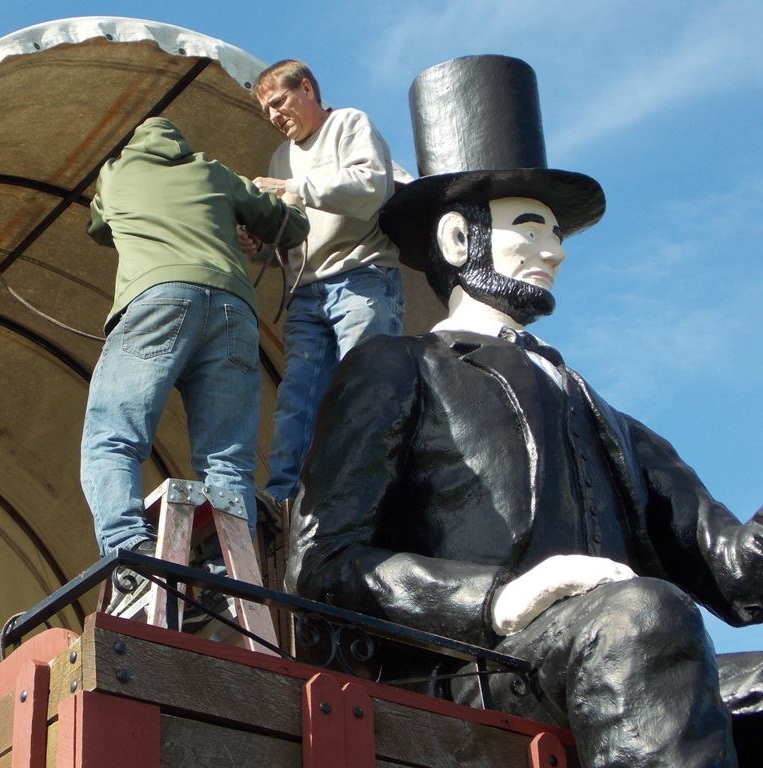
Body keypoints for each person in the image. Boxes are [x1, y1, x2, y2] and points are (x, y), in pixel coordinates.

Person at [287, 56, 761, 767]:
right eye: (532, 228)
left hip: (620, 652)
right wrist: (499, 598)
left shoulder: (602, 414)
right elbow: (322, 564)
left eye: (556, 235)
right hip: (470, 673)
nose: (555, 253)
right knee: (644, 612)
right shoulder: (398, 366)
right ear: (457, 239)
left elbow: (736, 573)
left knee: (651, 623)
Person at [81, 117, 309, 611]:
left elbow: (98, 227)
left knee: (112, 437)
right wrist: (254, 218)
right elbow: (292, 226)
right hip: (233, 309)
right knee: (227, 458)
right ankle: (232, 577)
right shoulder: (214, 173)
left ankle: (131, 553)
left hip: (155, 301)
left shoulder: (114, 175)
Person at [249, 60, 405, 507]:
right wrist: (258, 244)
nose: (274, 115)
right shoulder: (281, 158)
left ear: (307, 88)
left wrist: (294, 188)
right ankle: (284, 502)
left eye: (279, 101)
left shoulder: (349, 124)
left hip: (361, 276)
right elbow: (291, 235)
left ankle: (371, 497)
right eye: (266, 110)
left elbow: (371, 188)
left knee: (364, 385)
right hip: (306, 293)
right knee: (297, 397)